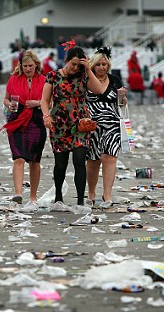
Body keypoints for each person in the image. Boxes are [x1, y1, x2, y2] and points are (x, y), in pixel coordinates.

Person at [40, 43, 106, 209]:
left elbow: (98, 90)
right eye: (73, 64)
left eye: (79, 65)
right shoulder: (53, 76)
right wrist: (46, 116)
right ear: (66, 60)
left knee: (79, 160)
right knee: (60, 164)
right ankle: (59, 197)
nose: (75, 68)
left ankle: (80, 201)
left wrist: (88, 69)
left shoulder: (84, 76)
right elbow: (44, 100)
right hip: (59, 124)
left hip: (81, 124)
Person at [0, 50, 47, 209]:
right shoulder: (13, 79)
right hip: (17, 120)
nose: (28, 69)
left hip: (36, 121)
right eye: (25, 66)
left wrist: (37, 103)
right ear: (20, 66)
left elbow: (49, 103)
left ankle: (33, 196)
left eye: (30, 66)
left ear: (36, 65)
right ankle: (18, 193)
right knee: (18, 158)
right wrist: (9, 105)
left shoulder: (43, 80)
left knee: (34, 160)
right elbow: (5, 98)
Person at [85, 47, 127, 208]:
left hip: (112, 125)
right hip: (91, 125)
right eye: (99, 64)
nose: (102, 67)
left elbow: (122, 105)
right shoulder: (87, 79)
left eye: (104, 64)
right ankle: (91, 193)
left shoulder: (115, 79)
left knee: (110, 158)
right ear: (93, 66)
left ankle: (107, 195)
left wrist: (122, 97)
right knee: (93, 160)